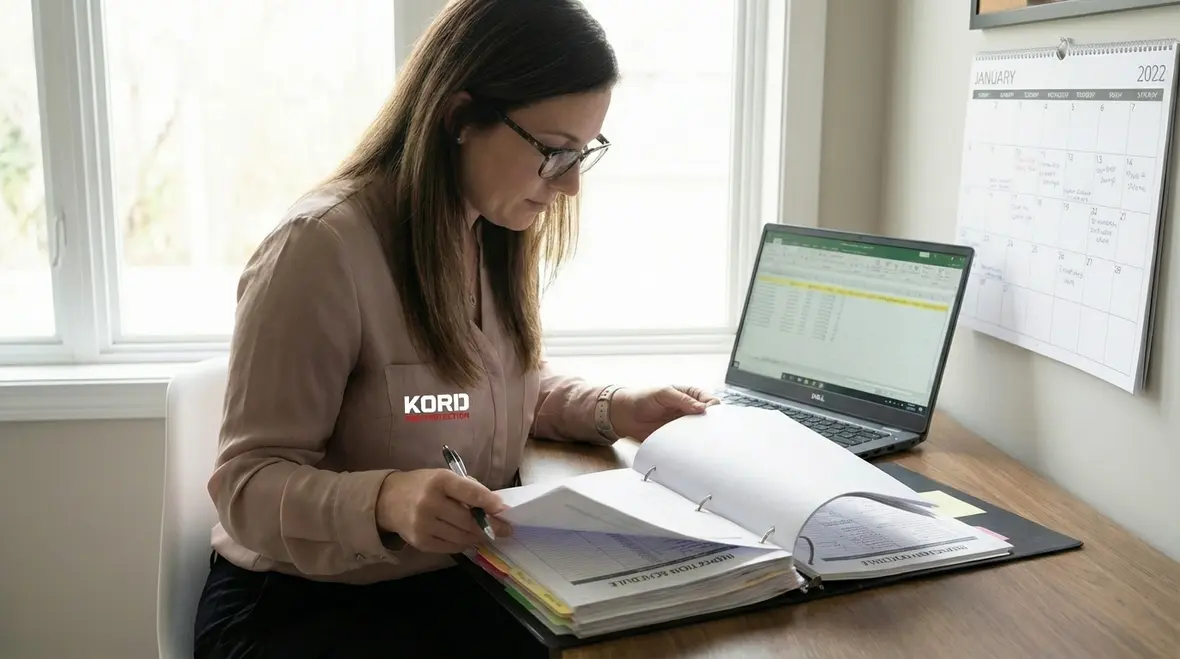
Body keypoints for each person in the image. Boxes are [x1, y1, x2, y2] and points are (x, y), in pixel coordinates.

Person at [192, 0, 720, 657]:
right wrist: (386, 500)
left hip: (451, 581)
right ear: (461, 117)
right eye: (555, 152)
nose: (571, 187)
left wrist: (612, 408)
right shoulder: (320, 249)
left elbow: (481, 390)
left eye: (584, 153)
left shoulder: (491, 232)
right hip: (298, 602)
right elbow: (245, 487)